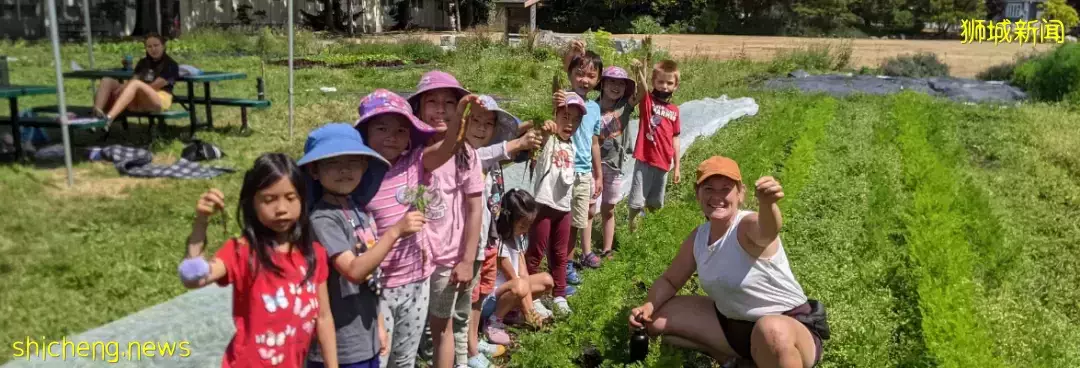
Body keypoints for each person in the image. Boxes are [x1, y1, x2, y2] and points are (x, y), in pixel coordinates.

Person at [628, 156, 829, 368]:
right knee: (653, 321)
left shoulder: (746, 225)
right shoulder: (699, 237)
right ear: (697, 193)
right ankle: (736, 360)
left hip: (787, 326)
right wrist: (647, 306)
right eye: (708, 189)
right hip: (733, 326)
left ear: (740, 193)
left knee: (771, 330)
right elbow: (670, 280)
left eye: (726, 189)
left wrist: (767, 204)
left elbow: (768, 230)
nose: (717, 196)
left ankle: (766, 358)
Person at [176, 153, 337, 368]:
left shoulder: (313, 254)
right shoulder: (241, 252)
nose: (281, 209)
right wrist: (201, 222)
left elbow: (324, 318)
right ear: (252, 203)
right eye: (269, 200)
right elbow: (193, 278)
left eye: (290, 198)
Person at [299, 123, 428, 368]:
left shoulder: (357, 210)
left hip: (365, 337)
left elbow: (371, 278)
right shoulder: (323, 220)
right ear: (314, 170)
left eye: (353, 162)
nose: (344, 170)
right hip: (340, 346)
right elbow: (354, 270)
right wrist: (395, 232)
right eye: (333, 163)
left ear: (364, 166)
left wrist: (378, 324)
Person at [353, 89, 463, 368]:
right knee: (378, 356)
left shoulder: (415, 162)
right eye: (382, 128)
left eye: (401, 130)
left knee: (404, 359)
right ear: (365, 132)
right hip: (377, 286)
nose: (392, 136)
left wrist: (459, 119)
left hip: (416, 280)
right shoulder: (356, 173)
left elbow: (448, 148)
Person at [408, 70, 484, 368]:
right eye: (432, 102)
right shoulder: (408, 148)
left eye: (449, 103)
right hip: (410, 259)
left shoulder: (466, 153)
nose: (440, 109)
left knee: (442, 327)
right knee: (409, 329)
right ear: (418, 108)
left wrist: (467, 260)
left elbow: (475, 208)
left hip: (446, 259)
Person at [461, 95, 542, 368]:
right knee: (467, 298)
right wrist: (518, 142)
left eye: (488, 124)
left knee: (478, 296)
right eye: (475, 121)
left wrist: (533, 128)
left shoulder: (493, 156)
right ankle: (466, 352)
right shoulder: (465, 154)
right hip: (468, 243)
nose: (481, 128)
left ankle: (473, 343)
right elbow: (492, 152)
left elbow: (503, 148)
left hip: (488, 238)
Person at [526, 92, 586, 315]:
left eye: (575, 120)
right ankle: (532, 296)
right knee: (536, 252)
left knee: (560, 254)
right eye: (565, 117)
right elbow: (540, 130)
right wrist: (545, 124)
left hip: (563, 207)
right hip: (543, 205)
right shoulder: (549, 139)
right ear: (555, 116)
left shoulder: (572, 145)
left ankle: (560, 296)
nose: (570, 124)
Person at [479, 189, 555, 348]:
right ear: (509, 220)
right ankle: (493, 321)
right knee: (519, 286)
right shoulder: (498, 242)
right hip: (491, 297)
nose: (526, 230)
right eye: (522, 225)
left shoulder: (518, 238)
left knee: (546, 280)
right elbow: (513, 278)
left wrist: (531, 311)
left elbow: (523, 274)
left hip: (512, 290)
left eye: (529, 225)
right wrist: (529, 313)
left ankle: (511, 312)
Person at [555, 40, 604, 272]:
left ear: (598, 80)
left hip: (584, 173)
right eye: (579, 74)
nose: (585, 80)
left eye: (591, 76)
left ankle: (567, 263)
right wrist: (572, 53)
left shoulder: (594, 108)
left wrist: (598, 174)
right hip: (562, 168)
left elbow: (594, 143)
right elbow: (562, 70)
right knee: (560, 218)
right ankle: (557, 261)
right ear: (571, 74)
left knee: (576, 221)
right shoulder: (564, 99)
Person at [627, 59, 682, 233]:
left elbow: (675, 138)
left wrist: (677, 167)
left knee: (655, 203)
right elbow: (642, 87)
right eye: (660, 82)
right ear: (653, 82)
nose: (664, 86)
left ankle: (650, 232)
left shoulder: (674, 110)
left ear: (676, 86)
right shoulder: (648, 101)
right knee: (636, 202)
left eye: (669, 83)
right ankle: (632, 233)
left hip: (664, 163)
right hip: (645, 159)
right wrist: (638, 69)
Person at [594, 66, 642, 262]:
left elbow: (643, 93)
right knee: (589, 209)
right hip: (592, 164)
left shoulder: (624, 106)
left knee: (608, 208)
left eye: (621, 84)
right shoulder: (591, 107)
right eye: (612, 82)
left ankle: (607, 249)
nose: (616, 86)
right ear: (602, 84)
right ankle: (586, 249)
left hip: (614, 165)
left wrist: (639, 70)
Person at [93, 33, 180, 123]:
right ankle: (97, 114)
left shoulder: (171, 65)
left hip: (159, 100)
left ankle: (109, 118)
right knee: (107, 80)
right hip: (138, 99)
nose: (153, 49)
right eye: (149, 46)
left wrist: (128, 89)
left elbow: (154, 86)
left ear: (163, 46)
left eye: (156, 45)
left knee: (135, 84)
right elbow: (134, 79)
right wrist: (122, 89)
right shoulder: (143, 62)